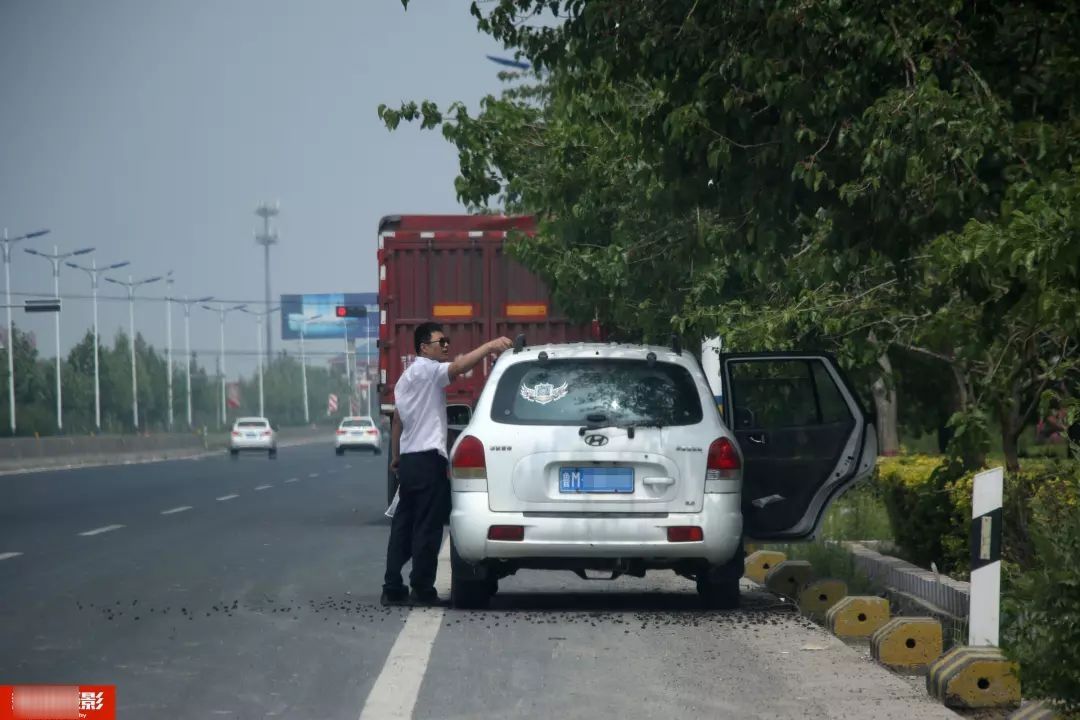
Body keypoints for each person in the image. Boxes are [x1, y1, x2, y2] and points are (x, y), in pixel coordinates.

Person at [381, 322, 513, 606]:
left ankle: (392, 587)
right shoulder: (430, 371)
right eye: (440, 342)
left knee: (403, 525)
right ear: (423, 347)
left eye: (447, 342)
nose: (446, 346)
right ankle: (422, 589)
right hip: (428, 460)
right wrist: (490, 347)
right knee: (428, 528)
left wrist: (395, 457)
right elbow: (458, 367)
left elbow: (397, 421)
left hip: (409, 461)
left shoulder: (405, 378)